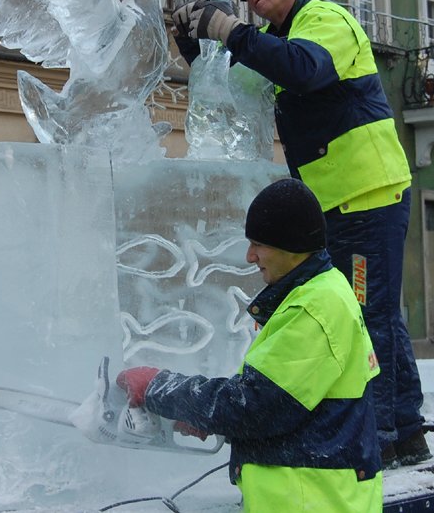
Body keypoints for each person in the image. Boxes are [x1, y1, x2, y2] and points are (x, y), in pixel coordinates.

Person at [171, 0, 424, 467]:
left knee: (365, 313)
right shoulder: (278, 44)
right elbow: (228, 86)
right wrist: (192, 38)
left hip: (368, 199)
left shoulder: (326, 21)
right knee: (376, 313)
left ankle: (379, 436)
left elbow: (305, 70)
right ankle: (406, 429)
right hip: (337, 207)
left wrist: (232, 31)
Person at [116, 179, 382, 511]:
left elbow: (254, 407)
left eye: (259, 244)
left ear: (291, 244)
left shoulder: (314, 310)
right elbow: (290, 406)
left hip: (312, 502)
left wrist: (156, 386)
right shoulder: (322, 293)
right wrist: (212, 419)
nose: (250, 255)